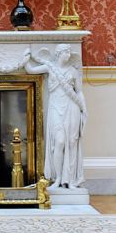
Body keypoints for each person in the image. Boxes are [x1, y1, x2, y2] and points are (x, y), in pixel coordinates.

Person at [24, 44, 87, 188]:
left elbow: (79, 91)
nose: (69, 55)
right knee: (59, 142)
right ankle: (58, 178)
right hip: (55, 108)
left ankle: (69, 180)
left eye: (70, 52)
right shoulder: (50, 67)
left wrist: (84, 109)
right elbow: (30, 70)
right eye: (66, 52)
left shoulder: (73, 71)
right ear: (59, 54)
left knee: (71, 144)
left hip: (72, 108)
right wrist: (26, 56)